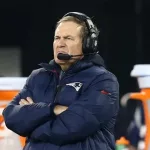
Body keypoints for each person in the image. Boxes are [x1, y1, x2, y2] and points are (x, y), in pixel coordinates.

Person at [2, 12, 119, 150]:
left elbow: (74, 127)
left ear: (88, 44)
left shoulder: (103, 80)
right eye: (57, 38)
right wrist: (53, 109)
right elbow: (11, 117)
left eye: (68, 38)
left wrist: (31, 123)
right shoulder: (38, 77)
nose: (60, 44)